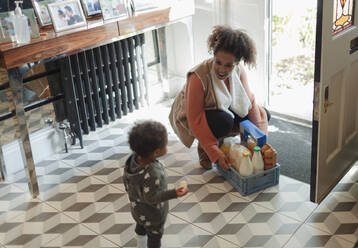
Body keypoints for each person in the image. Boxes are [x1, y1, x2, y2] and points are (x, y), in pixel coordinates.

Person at [169, 25, 270, 171]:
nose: (222, 69)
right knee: (224, 122)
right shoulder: (198, 76)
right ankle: (205, 147)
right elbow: (195, 118)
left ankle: (244, 147)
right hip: (191, 115)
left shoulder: (238, 70)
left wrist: (259, 140)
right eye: (218, 62)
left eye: (229, 65)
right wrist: (214, 151)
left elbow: (249, 102)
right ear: (213, 55)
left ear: (237, 63)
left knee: (263, 114)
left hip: (220, 108)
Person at [123, 120, 189, 248]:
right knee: (154, 236)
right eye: (165, 145)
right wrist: (174, 193)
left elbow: (127, 183)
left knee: (141, 225)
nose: (167, 147)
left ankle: (140, 243)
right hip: (152, 215)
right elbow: (152, 197)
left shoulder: (132, 160)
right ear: (156, 152)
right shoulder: (152, 173)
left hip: (137, 209)